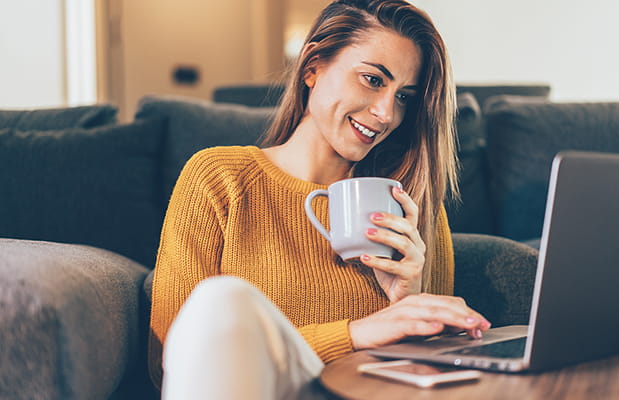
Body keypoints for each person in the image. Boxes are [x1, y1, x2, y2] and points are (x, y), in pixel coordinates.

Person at [148, 0, 491, 398]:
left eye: (404, 98)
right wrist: (355, 334)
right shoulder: (220, 179)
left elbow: (427, 382)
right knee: (222, 301)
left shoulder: (410, 203)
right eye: (373, 80)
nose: (385, 114)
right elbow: (170, 362)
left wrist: (406, 301)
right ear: (313, 68)